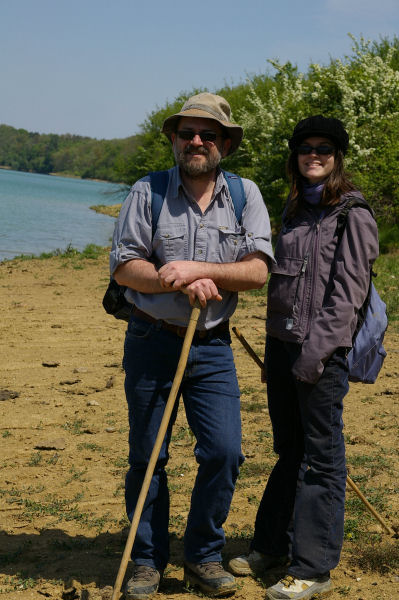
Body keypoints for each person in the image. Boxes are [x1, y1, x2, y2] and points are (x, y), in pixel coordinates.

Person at [110, 92, 274, 599]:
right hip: (150, 340)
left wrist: (201, 269)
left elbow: (257, 269)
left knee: (224, 452)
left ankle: (203, 554)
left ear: (225, 143)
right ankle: (146, 561)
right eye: (187, 134)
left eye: (208, 134)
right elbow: (124, 266)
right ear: (175, 140)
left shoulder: (245, 196)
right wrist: (173, 280)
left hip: (213, 346)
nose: (196, 142)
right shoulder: (147, 191)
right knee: (148, 454)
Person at [228, 115, 379, 600]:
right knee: (289, 452)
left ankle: (313, 568)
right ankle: (271, 547)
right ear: (295, 156)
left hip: (322, 353)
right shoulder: (294, 207)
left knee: (321, 460)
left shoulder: (353, 213)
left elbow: (347, 296)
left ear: (337, 157)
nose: (314, 155)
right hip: (281, 346)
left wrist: (315, 355)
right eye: (305, 148)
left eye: (324, 149)